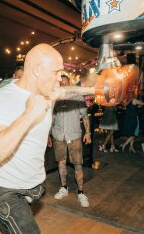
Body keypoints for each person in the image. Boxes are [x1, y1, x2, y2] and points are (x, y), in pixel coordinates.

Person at [0, 44, 94, 233]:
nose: (60, 78)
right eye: (56, 72)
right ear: (37, 70)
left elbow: (70, 91)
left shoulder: (49, 92)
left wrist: (99, 89)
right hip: (5, 191)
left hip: (33, 186)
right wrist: (28, 115)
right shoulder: (3, 99)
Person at [49, 75, 91, 207]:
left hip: (74, 135)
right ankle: (64, 188)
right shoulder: (54, 98)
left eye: (66, 83)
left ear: (70, 84)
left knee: (78, 164)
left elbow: (84, 115)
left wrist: (88, 132)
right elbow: (51, 117)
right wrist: (47, 134)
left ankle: (81, 193)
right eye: (62, 84)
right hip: (58, 135)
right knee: (61, 163)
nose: (64, 86)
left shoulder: (78, 97)